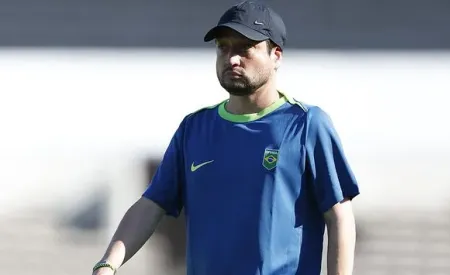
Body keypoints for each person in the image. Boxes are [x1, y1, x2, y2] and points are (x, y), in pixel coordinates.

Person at [91, 1, 360, 275]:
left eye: (245, 48)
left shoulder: (306, 124)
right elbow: (151, 204)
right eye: (223, 47)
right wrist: (107, 265)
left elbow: (339, 216)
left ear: (276, 56)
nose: (232, 58)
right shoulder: (194, 128)